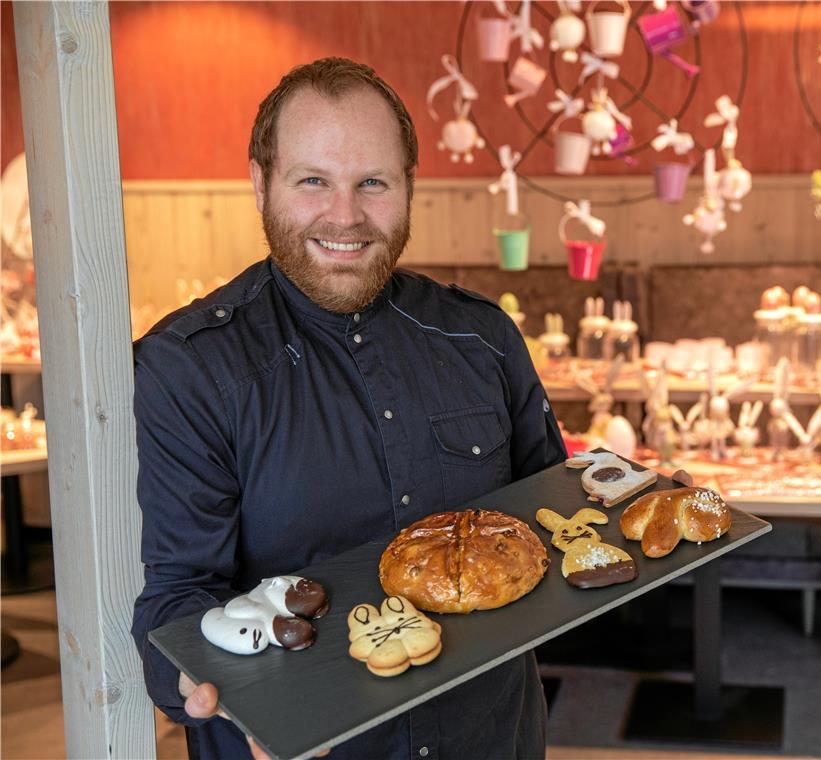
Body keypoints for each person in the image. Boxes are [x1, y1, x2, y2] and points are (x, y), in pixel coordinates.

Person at [130, 57, 566, 760]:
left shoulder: (482, 338)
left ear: (408, 186)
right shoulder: (190, 368)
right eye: (313, 182)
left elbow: (551, 525)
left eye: (373, 182)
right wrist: (210, 686)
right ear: (260, 183)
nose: (346, 216)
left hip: (492, 738)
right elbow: (179, 595)